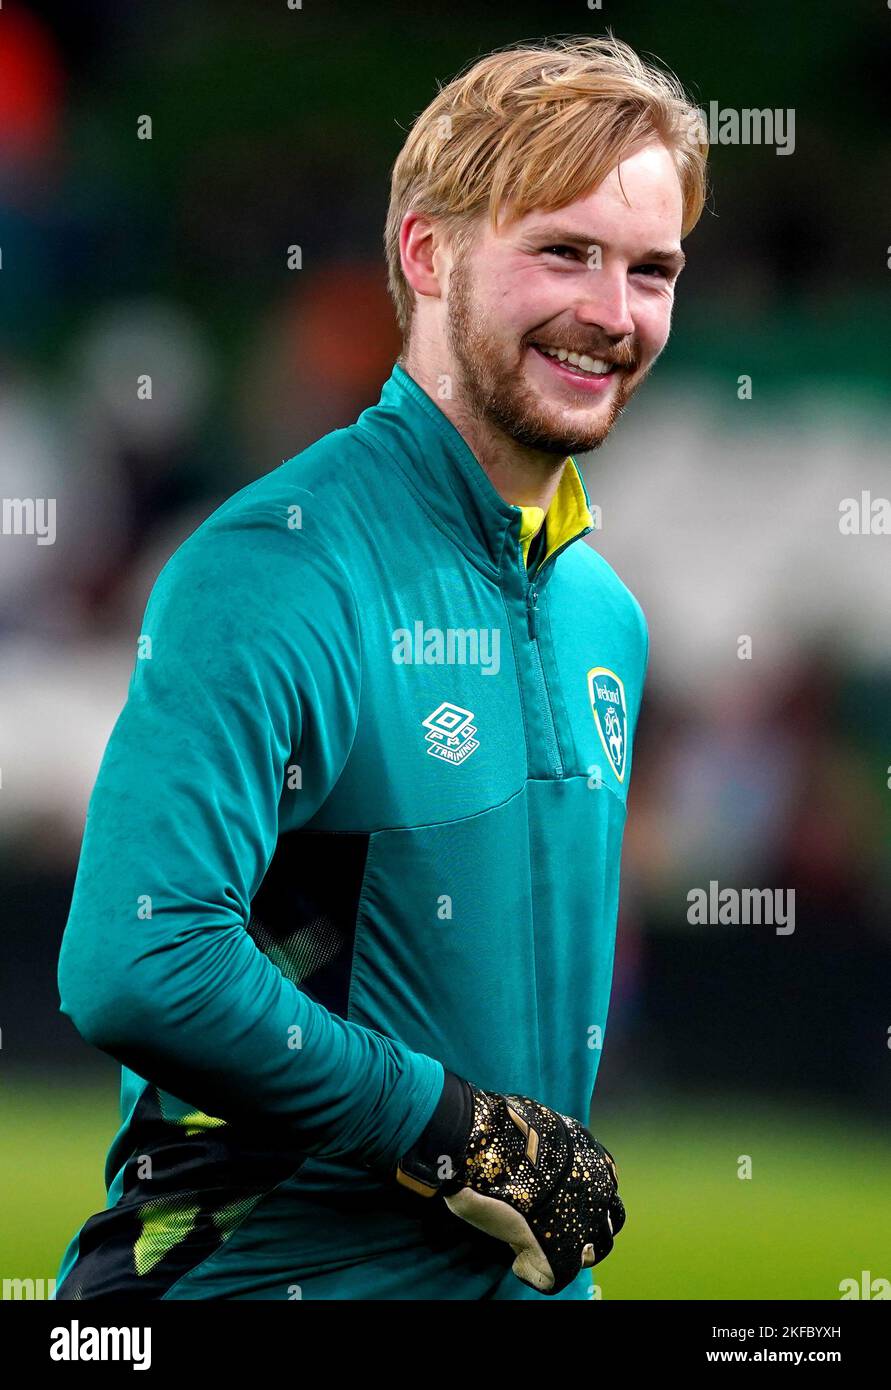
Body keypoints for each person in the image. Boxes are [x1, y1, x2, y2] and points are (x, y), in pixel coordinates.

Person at [55, 33, 707, 1301]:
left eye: (652, 270)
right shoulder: (275, 565)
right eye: (564, 252)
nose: (614, 314)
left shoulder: (605, 613)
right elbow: (138, 961)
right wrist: (457, 1129)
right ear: (427, 252)